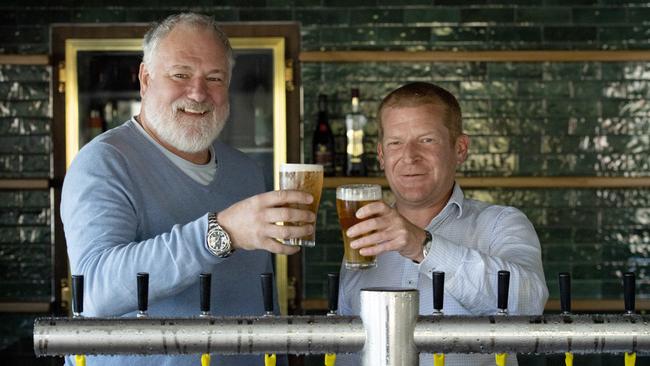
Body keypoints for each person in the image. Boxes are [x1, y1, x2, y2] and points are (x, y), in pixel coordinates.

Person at [60, 13, 312, 366]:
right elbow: (95, 292)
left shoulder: (246, 171)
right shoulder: (103, 161)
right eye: (180, 75)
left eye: (214, 78)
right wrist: (220, 233)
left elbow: (261, 298)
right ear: (145, 79)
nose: (198, 92)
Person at [337, 82, 549, 365]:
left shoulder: (501, 223)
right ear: (381, 155)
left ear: (460, 149)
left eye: (426, 140)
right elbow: (344, 345)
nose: (409, 156)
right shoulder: (363, 239)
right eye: (395, 143)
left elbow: (529, 306)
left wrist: (422, 246)